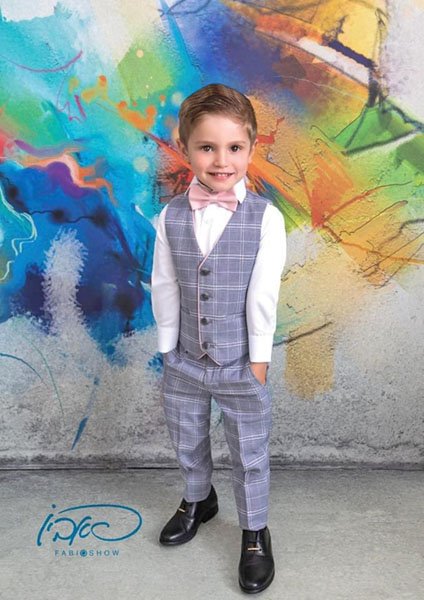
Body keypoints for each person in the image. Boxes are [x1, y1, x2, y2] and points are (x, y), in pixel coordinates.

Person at [151, 83, 286, 594]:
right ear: (185, 149)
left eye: (234, 147)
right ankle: (197, 499)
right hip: (184, 358)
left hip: (239, 362)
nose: (221, 161)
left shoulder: (265, 218)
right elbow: (165, 283)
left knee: (248, 452)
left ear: (251, 148)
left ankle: (255, 532)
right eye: (207, 147)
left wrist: (258, 361)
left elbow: (263, 294)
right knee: (187, 436)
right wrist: (168, 349)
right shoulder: (170, 216)